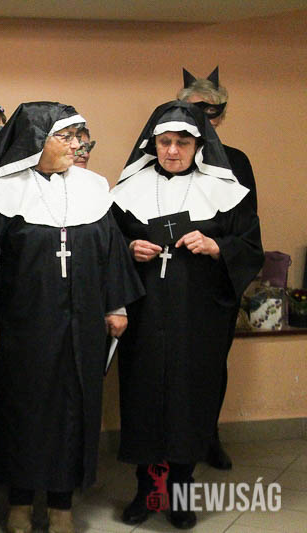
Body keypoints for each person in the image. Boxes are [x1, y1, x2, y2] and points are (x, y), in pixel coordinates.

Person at [0, 102, 144, 533]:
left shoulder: (94, 188)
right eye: (65, 137)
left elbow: (111, 251)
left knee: (73, 411)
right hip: (22, 325)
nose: (76, 146)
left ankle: (62, 504)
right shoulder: (1, 193)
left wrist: (116, 306)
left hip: (81, 324)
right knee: (22, 411)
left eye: (78, 137)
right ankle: (19, 501)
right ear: (36, 142)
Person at [111, 101, 263, 529]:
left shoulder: (225, 190)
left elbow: (250, 247)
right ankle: (146, 490)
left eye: (182, 142)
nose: (173, 150)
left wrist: (217, 247)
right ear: (153, 144)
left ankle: (180, 492)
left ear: (199, 145)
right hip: (144, 316)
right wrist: (129, 248)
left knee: (188, 400)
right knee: (143, 398)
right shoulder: (128, 190)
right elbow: (106, 244)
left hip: (197, 319)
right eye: (165, 142)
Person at [178, 66, 258, 470]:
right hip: (171, 280)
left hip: (215, 282)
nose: (203, 118)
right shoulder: (168, 154)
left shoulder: (237, 163)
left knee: (210, 365)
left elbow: (247, 229)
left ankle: (208, 434)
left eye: (212, 111)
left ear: (221, 116)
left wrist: (219, 249)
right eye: (194, 110)